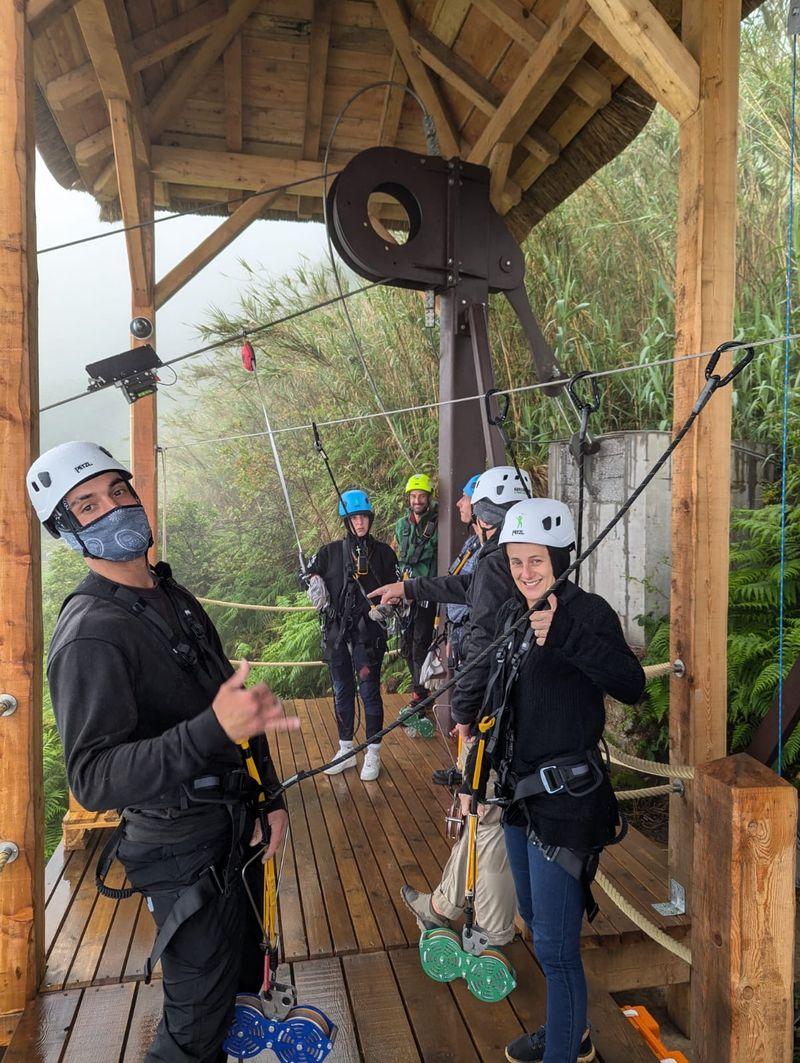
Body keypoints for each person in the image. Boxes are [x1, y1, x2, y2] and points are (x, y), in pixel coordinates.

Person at [28, 441, 297, 1063]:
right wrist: (212, 729)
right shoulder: (91, 633)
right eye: (88, 505)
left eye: (119, 491)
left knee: (238, 986)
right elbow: (93, 777)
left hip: (231, 827)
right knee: (194, 1025)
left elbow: (234, 702)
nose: (115, 507)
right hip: (179, 849)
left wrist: (269, 797)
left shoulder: (170, 596)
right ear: (68, 533)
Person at [483, 497, 645, 1063]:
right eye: (516, 561)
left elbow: (630, 683)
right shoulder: (515, 615)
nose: (525, 573)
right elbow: (503, 704)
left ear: (559, 558)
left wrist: (569, 636)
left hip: (566, 805)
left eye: (536, 561)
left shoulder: (587, 613)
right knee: (537, 929)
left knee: (556, 947)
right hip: (520, 801)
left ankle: (567, 1051)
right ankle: (567, 1034)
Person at [305, 488, 398, 781]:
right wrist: (312, 581)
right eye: (354, 517)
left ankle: (373, 752)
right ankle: (345, 749)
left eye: (363, 517)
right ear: (346, 521)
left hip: (368, 634)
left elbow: (397, 589)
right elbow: (307, 574)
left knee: (369, 692)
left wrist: (388, 606)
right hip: (336, 634)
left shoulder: (383, 553)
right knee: (343, 690)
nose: (360, 522)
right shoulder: (329, 552)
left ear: (370, 518)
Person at [394, 472, 438, 705]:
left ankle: (419, 696)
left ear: (429, 498)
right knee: (405, 645)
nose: (417, 500)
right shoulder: (402, 525)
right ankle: (421, 689)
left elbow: (423, 553)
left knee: (420, 642)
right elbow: (399, 558)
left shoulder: (437, 523)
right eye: (413, 496)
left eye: (422, 496)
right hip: (405, 590)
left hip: (426, 591)